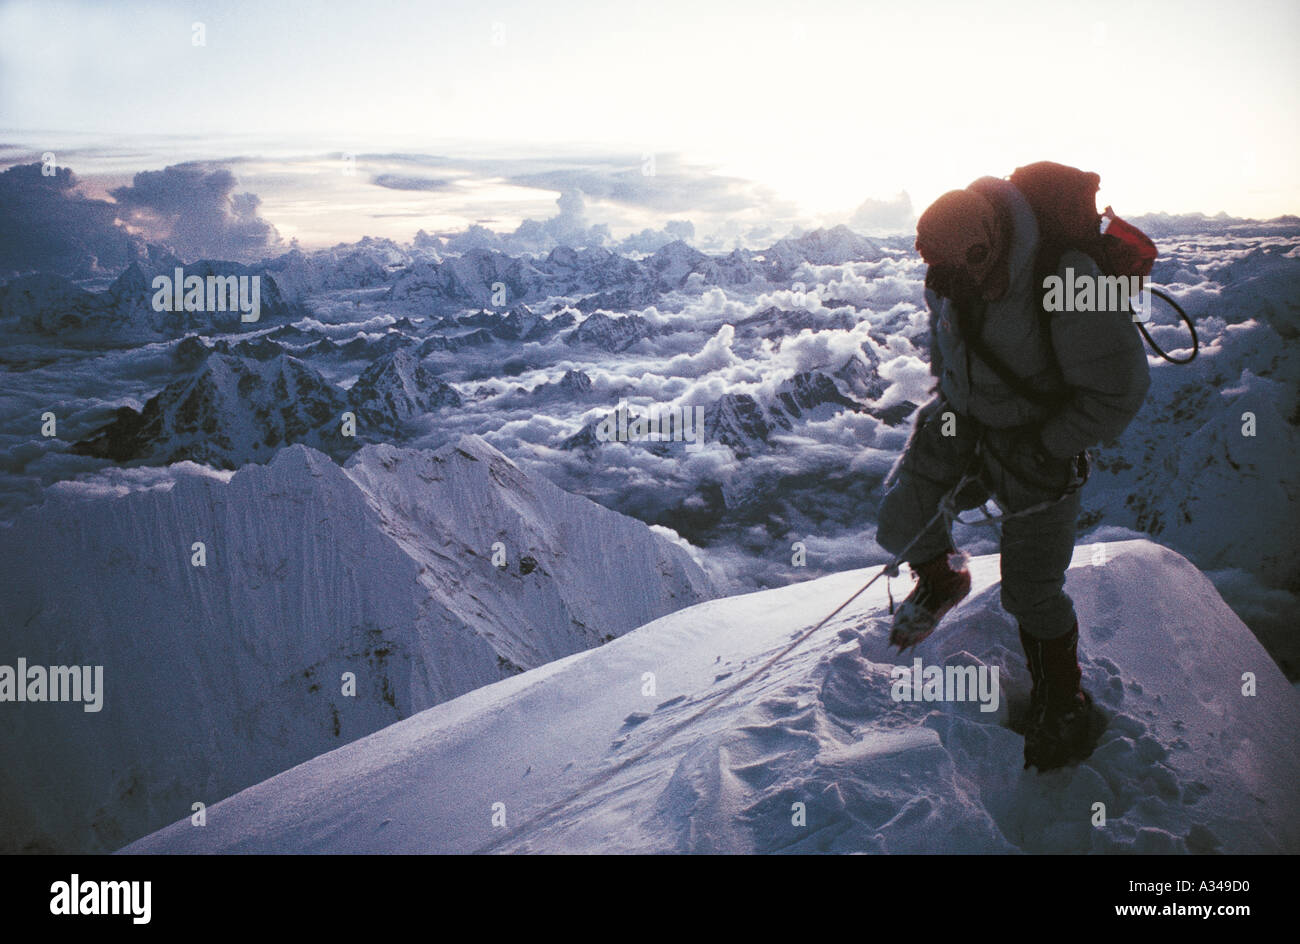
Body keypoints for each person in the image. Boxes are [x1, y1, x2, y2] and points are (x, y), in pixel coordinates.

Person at [875, 170, 1151, 771]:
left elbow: (1119, 390)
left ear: (990, 242)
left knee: (1031, 591)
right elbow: (947, 353)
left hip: (1039, 441)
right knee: (902, 517)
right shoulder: (949, 274)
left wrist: (1048, 443)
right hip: (966, 419)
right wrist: (951, 420)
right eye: (939, 275)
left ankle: (1064, 701)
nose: (949, 288)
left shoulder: (1068, 275)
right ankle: (944, 578)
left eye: (960, 271)